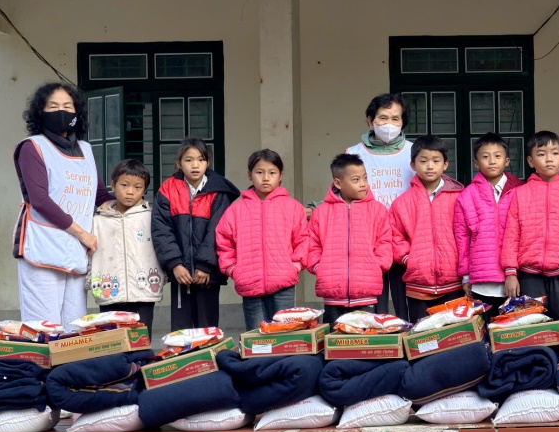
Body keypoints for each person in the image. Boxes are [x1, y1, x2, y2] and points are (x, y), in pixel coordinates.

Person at [12, 82, 107, 324]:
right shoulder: (32, 147)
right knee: (44, 328)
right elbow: (40, 201)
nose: (61, 111)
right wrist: (82, 234)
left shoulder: (86, 149)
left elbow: (100, 196)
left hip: (76, 251)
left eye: (67, 106)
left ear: (77, 112)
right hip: (43, 248)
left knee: (75, 328)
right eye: (53, 107)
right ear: (40, 112)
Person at [501, 131, 559, 320]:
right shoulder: (521, 194)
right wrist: (510, 273)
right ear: (530, 161)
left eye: (555, 153)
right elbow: (511, 234)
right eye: (541, 154)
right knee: (533, 322)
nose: (549, 159)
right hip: (529, 274)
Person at [215, 149, 308, 331]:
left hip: (284, 282)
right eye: (259, 172)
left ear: (280, 176)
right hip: (249, 283)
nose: (266, 178)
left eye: (272, 173)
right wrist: (233, 268)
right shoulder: (236, 210)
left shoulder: (293, 207)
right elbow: (224, 241)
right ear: (249, 175)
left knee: (284, 335)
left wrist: (295, 265)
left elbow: (303, 239)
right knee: (256, 335)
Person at [152, 138, 240, 331]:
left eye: (201, 159)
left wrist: (205, 265)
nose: (195, 165)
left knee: (207, 330)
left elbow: (218, 230)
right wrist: (175, 264)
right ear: (178, 163)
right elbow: (162, 229)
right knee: (181, 332)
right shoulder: (168, 189)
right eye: (188, 160)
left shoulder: (218, 192)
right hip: (180, 273)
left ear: (208, 162)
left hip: (207, 275)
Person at [346, 93, 415, 317]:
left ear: (403, 122)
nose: (389, 125)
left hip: (406, 237)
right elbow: (342, 193)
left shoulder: (415, 153)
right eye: (383, 118)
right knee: (375, 303)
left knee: (406, 300)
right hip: (368, 238)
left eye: (395, 119)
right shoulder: (353, 154)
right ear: (370, 121)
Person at [304, 153, 393, 326]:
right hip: (332, 294)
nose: (363, 184)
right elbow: (312, 245)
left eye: (365, 178)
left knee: (365, 339)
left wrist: (376, 265)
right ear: (338, 183)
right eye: (356, 180)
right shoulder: (321, 212)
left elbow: (384, 242)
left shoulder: (377, 210)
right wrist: (319, 267)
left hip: (367, 292)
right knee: (334, 338)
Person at [390, 135, 467, 320]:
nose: (430, 166)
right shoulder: (402, 202)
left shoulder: (460, 196)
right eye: (423, 161)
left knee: (453, 334)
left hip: (453, 282)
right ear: (413, 165)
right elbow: (394, 235)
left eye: (436, 161)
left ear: (445, 164)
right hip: (418, 285)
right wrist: (409, 258)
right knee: (422, 334)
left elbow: (467, 233)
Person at [90, 158, 163, 333]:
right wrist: (89, 280)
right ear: (113, 185)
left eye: (137, 187)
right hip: (109, 291)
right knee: (112, 341)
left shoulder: (151, 218)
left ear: (144, 190)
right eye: (124, 185)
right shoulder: (98, 220)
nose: (130, 192)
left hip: (143, 292)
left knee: (141, 340)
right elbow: (89, 253)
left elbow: (162, 248)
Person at [454, 133, 522, 316]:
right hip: (482, 281)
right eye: (485, 156)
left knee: (512, 329)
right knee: (485, 329)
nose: (492, 161)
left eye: (497, 156)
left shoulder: (520, 191)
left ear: (506, 161)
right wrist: (465, 277)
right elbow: (462, 239)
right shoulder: (467, 196)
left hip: (516, 278)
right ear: (476, 163)